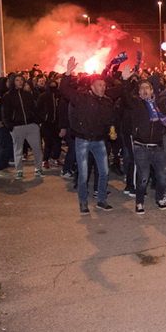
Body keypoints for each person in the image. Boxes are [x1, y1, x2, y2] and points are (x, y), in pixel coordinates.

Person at [60, 56, 118, 214]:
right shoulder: (82, 98)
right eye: (99, 85)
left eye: (104, 85)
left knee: (104, 172)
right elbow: (65, 90)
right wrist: (67, 73)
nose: (103, 88)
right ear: (92, 86)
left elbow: (110, 120)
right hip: (83, 141)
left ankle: (101, 200)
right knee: (84, 174)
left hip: (99, 141)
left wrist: (112, 131)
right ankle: (83, 202)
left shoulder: (106, 101)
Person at [127, 78, 166, 214]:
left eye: (147, 88)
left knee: (162, 175)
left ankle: (160, 198)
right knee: (143, 177)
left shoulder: (158, 105)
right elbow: (124, 96)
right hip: (141, 146)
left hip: (157, 146)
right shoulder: (136, 104)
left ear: (152, 90)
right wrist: (125, 79)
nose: (145, 90)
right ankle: (139, 202)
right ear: (139, 91)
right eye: (142, 88)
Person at [2, 73, 44, 180]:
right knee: (18, 149)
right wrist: (10, 126)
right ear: (13, 82)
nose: (20, 82)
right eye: (17, 80)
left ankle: (38, 168)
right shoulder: (8, 96)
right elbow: (5, 112)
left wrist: (37, 122)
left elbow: (34, 109)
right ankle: (19, 170)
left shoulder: (27, 94)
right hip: (17, 127)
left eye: (21, 80)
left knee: (37, 148)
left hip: (31, 125)